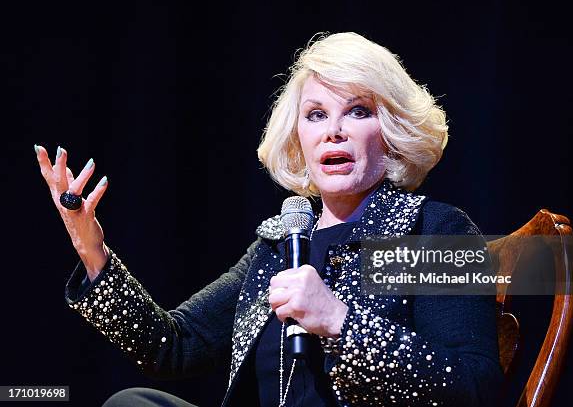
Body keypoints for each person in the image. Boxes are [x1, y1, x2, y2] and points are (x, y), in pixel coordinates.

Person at [34, 32, 503, 406]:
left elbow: (473, 389)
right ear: (298, 139)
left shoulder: (431, 230)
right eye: (316, 115)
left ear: (393, 131)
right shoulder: (279, 247)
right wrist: (90, 248)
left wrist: (340, 320)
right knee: (133, 402)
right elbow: (169, 346)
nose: (334, 131)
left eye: (357, 111)